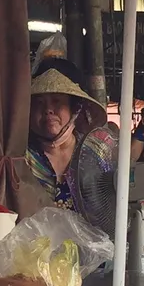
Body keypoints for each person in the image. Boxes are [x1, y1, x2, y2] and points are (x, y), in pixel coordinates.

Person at [25, 60, 107, 210]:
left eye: (57, 101)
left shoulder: (95, 154)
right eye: (39, 103)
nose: (48, 110)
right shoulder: (20, 157)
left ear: (75, 108)